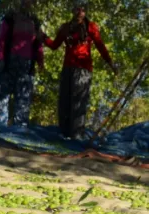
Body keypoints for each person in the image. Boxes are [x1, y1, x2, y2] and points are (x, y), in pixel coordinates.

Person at [45, 0, 116, 139]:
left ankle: (76, 136)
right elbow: (54, 45)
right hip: (67, 68)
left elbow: (100, 45)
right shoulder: (65, 27)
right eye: (77, 8)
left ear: (85, 11)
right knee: (64, 101)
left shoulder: (91, 27)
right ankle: (63, 134)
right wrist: (42, 37)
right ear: (72, 10)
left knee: (78, 103)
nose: (79, 11)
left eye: (82, 9)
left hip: (83, 69)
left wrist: (110, 63)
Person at [0, 0, 46, 127]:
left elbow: (38, 43)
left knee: (23, 96)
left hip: (27, 64)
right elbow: (2, 40)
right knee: (2, 93)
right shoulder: (10, 19)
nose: (26, 3)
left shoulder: (35, 22)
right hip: (9, 61)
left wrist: (40, 62)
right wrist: (0, 59)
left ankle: (20, 128)